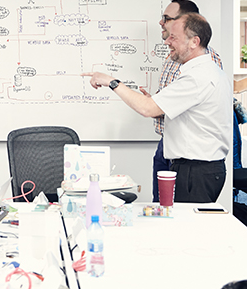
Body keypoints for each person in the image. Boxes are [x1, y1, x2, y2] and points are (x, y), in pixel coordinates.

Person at [84, 13, 231, 203]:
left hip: (195, 173)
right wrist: (158, 103)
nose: (167, 42)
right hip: (197, 170)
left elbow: (148, 109)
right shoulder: (209, 72)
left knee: (186, 229)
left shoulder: (196, 77)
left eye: (174, 37)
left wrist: (111, 82)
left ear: (194, 41)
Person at [140, 0, 222, 201]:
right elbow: (178, 100)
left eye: (167, 19)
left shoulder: (205, 62)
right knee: (161, 206)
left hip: (191, 155)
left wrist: (153, 106)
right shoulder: (173, 56)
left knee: (181, 215)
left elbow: (200, 103)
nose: (161, 23)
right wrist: (157, 102)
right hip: (168, 145)